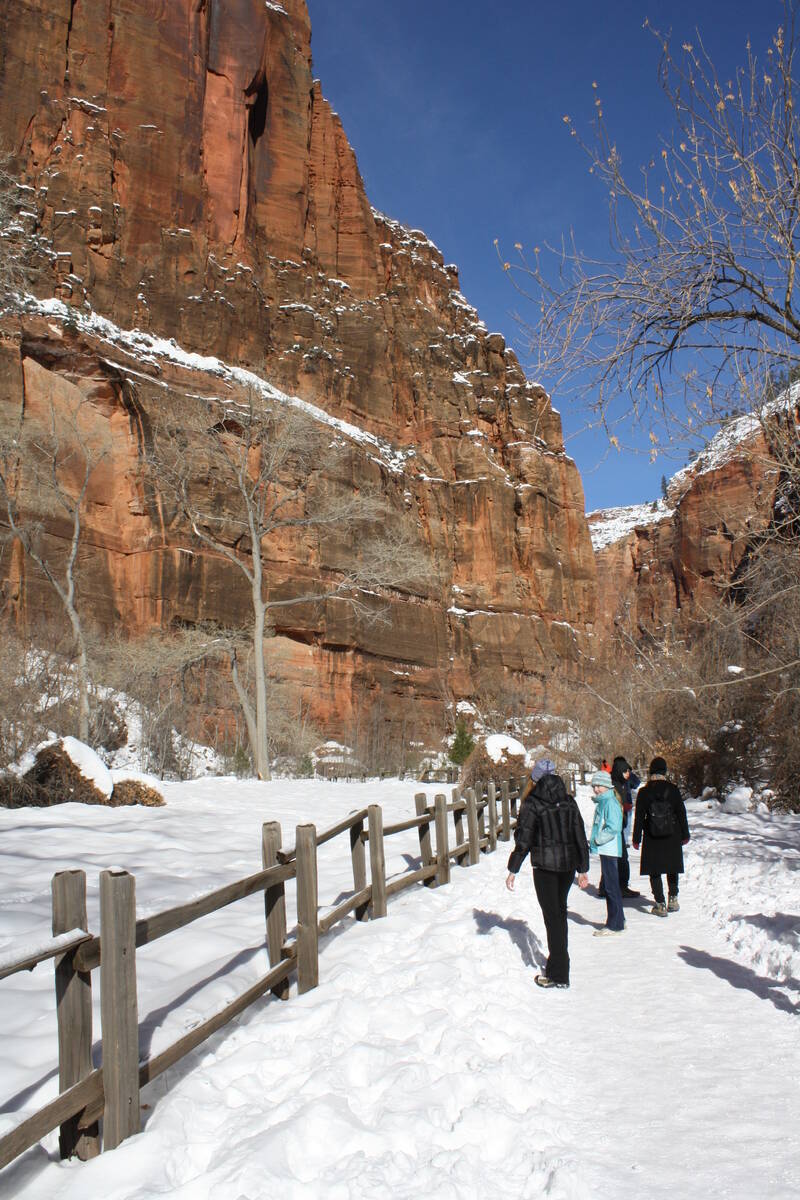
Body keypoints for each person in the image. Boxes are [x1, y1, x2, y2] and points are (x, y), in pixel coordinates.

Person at [505, 758, 589, 989]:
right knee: (559, 913)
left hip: (545, 867)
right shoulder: (568, 801)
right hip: (567, 866)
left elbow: (524, 838)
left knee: (553, 916)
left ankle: (559, 973)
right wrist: (582, 869)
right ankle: (560, 964)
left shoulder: (532, 803)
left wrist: (513, 868)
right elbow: (579, 835)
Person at [632, 756, 690, 917]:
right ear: (665, 771)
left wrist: (636, 838)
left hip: (652, 835)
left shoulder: (644, 792)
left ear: (651, 771)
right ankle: (673, 898)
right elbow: (681, 813)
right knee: (672, 867)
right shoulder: (673, 789)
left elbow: (639, 817)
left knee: (654, 869)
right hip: (672, 834)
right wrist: (685, 834)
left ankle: (660, 903)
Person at [589, 769, 625, 936]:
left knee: (611, 887)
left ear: (606, 786)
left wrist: (597, 839)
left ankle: (614, 925)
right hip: (606, 849)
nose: (596, 789)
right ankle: (619, 919)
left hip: (609, 849)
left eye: (599, 786)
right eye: (594, 786)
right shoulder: (604, 802)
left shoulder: (609, 802)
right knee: (611, 886)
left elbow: (614, 827)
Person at [611, 755, 641, 897]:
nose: (628, 773)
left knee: (617, 855)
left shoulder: (623, 781)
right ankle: (618, 886)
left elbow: (637, 782)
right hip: (616, 824)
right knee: (620, 855)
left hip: (621, 819)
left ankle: (608, 886)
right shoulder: (613, 785)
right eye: (625, 770)